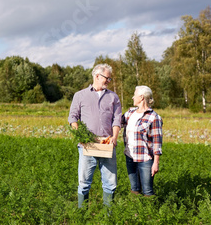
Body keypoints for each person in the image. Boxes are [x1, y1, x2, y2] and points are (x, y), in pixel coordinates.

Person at [68, 63, 122, 208]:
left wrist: (114, 138)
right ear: (97, 76)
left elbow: (117, 120)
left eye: (110, 79)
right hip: (87, 145)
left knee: (110, 183)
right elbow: (73, 118)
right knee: (84, 183)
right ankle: (81, 216)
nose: (109, 81)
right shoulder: (80, 95)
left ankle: (108, 216)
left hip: (107, 144)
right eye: (107, 78)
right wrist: (82, 136)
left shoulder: (113, 97)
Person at [122, 85, 163, 197]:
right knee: (134, 189)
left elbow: (157, 142)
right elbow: (116, 124)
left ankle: (149, 213)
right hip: (130, 156)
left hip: (146, 159)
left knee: (148, 191)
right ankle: (136, 213)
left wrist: (156, 163)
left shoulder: (154, 117)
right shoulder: (130, 113)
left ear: (141, 97)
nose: (132, 98)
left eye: (134, 95)